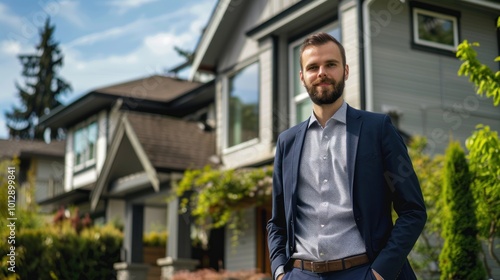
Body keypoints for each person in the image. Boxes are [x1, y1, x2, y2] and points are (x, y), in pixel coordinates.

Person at [267, 32, 427, 280]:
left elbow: (412, 210)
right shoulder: (287, 142)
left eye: (331, 64)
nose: (322, 72)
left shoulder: (378, 129)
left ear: (346, 71)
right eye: (313, 67)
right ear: (302, 77)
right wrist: (279, 272)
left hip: (363, 272)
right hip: (300, 274)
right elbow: (277, 222)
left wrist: (380, 272)